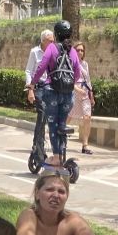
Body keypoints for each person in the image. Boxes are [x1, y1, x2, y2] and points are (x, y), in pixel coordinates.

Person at [29, 20, 82, 167]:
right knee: (62, 124)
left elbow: (41, 67)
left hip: (51, 92)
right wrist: (69, 83)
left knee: (52, 125)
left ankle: (57, 157)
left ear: (56, 34)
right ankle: (63, 155)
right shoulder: (72, 51)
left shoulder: (52, 48)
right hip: (68, 95)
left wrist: (32, 84)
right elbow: (77, 73)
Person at [67, 41, 94, 155]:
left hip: (85, 93)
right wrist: (77, 89)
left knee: (87, 117)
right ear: (73, 51)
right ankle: (58, 137)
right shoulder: (70, 63)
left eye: (82, 50)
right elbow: (68, 80)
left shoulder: (85, 64)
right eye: (78, 50)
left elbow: (88, 80)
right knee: (68, 117)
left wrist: (91, 95)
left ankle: (85, 145)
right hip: (74, 92)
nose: (80, 52)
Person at [23, 28, 54, 109]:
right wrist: (30, 90)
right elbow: (28, 71)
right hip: (38, 86)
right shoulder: (34, 52)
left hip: (50, 87)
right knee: (42, 111)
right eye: (50, 41)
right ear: (43, 40)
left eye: (53, 41)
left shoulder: (54, 53)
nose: (52, 43)